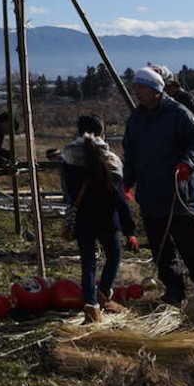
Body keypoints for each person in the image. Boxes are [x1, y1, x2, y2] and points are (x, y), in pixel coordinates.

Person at [122, 66, 194, 305]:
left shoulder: (178, 113)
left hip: (179, 194)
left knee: (191, 245)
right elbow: (131, 154)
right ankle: (173, 291)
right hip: (150, 194)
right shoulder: (136, 119)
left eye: (140, 88)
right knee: (161, 248)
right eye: (135, 88)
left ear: (155, 90)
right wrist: (127, 182)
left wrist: (188, 164)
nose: (136, 92)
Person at [60, 115, 138, 324]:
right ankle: (104, 293)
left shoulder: (68, 158)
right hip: (107, 219)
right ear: (102, 133)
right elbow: (119, 199)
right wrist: (130, 230)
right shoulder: (110, 160)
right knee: (113, 256)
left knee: (88, 263)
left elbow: (67, 191)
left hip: (83, 219)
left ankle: (91, 305)